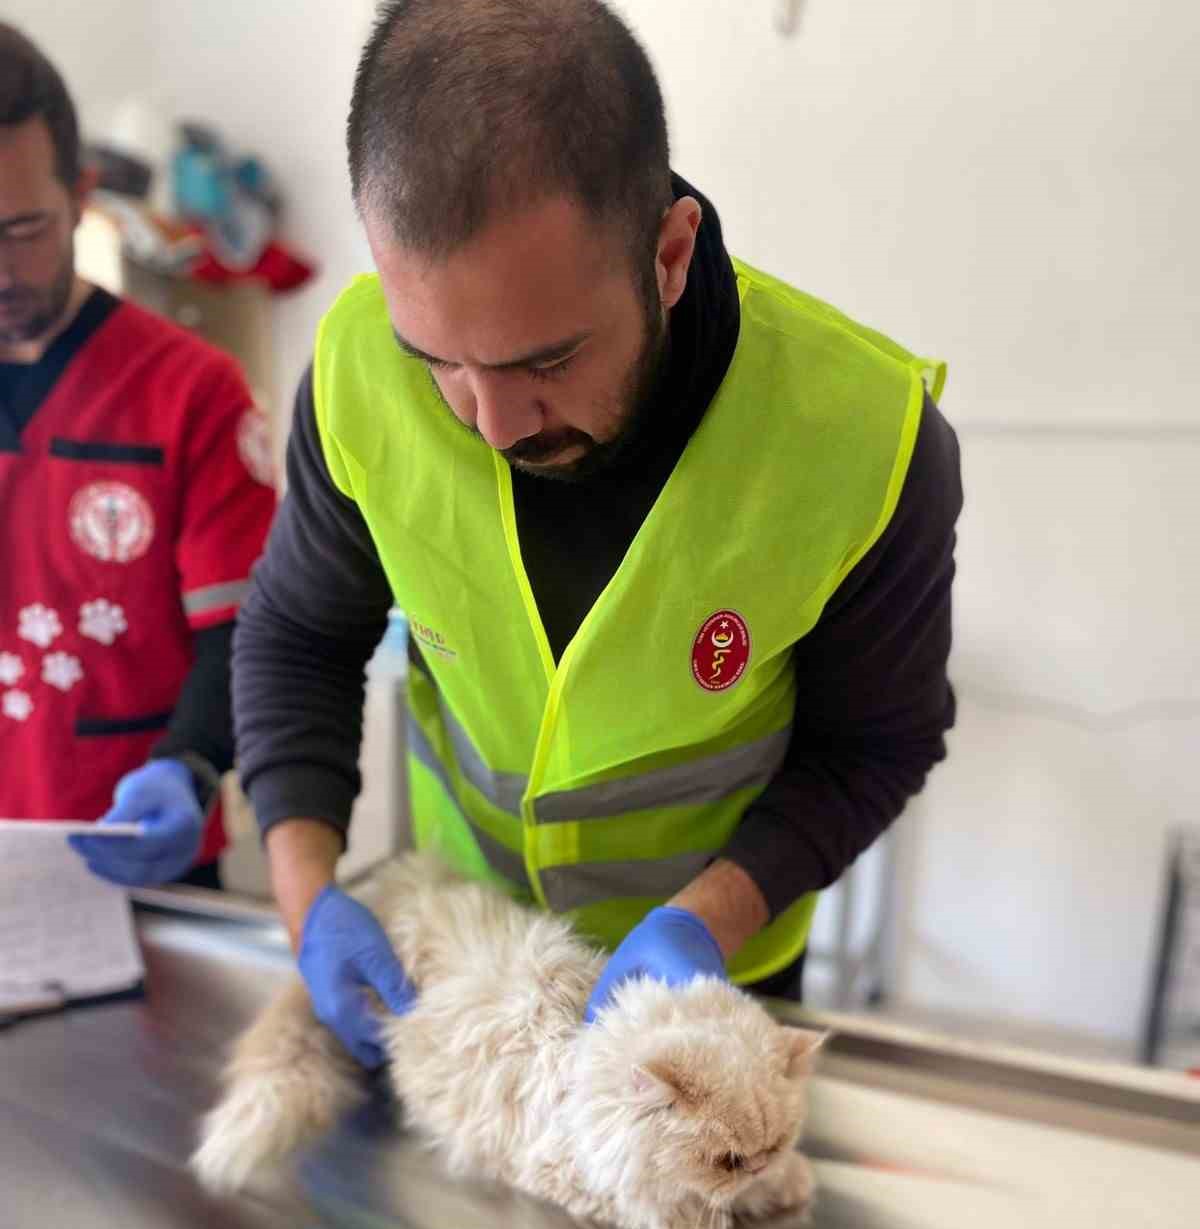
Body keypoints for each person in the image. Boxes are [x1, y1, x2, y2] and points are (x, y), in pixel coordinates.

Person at [234, 0, 961, 1068]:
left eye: (545, 362)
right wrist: (306, 897)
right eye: (435, 356)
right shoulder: (353, 368)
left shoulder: (866, 438)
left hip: (711, 979)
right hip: (469, 965)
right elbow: (299, 633)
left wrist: (709, 918)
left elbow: (874, 744)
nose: (491, 423)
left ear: (668, 255)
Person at [0, 26, 275, 889]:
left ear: (82, 197)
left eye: (23, 230)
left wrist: (191, 765)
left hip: (135, 855)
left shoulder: (190, 390)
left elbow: (246, 634)